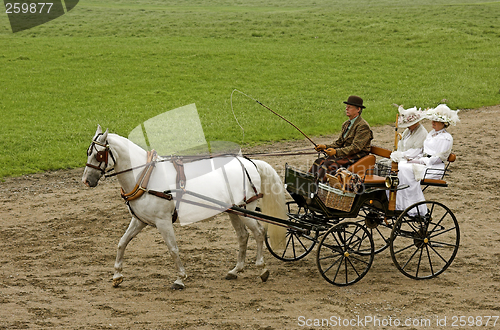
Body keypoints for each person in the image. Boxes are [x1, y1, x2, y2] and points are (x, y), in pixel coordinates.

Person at [395, 104, 459, 215]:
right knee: (400, 165)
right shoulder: (431, 134)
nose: (433, 123)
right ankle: (402, 203)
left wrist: (421, 161)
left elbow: (438, 158)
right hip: (424, 163)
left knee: (404, 168)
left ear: (444, 123)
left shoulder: (446, 138)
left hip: (434, 168)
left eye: (436, 121)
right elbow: (425, 151)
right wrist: (415, 158)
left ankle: (415, 207)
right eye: (432, 120)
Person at [311, 95, 373, 182]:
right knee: (319, 161)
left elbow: (356, 147)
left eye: (349, 107)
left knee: (329, 164)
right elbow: (339, 143)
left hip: (357, 156)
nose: (346, 109)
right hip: (346, 153)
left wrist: (336, 152)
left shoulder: (363, 126)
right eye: (346, 107)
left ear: (358, 109)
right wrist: (325, 146)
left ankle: (318, 185)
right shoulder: (346, 124)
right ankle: (310, 181)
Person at [379, 106, 428, 170]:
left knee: (387, 165)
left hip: (412, 161)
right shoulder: (407, 131)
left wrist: (399, 155)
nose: (407, 127)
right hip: (402, 158)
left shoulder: (422, 133)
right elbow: (401, 144)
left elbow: (414, 153)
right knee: (381, 163)